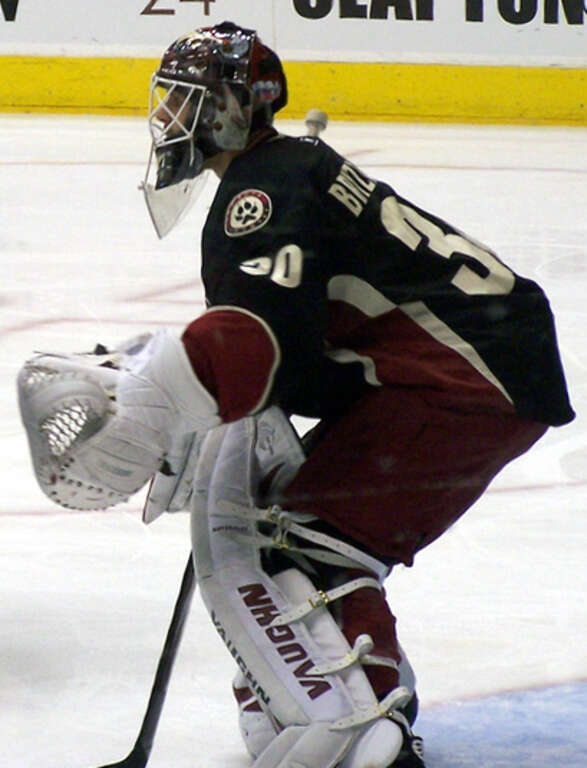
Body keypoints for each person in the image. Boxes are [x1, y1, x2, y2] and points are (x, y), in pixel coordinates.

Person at [18, 19, 574, 768]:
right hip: (463, 360)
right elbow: (293, 353)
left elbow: (255, 340)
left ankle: (364, 733)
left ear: (236, 108)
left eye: (190, 101)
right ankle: (367, 700)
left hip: (467, 375)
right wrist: (199, 407)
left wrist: (144, 428)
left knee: (308, 543)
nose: (169, 118)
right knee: (294, 527)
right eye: (168, 101)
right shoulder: (281, 170)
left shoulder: (264, 188)